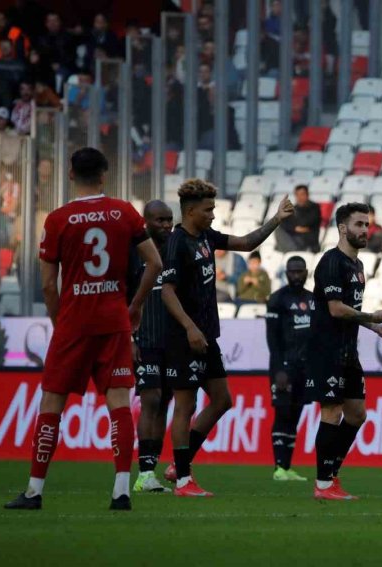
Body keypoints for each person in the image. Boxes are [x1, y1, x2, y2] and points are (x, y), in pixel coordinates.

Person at [4, 148, 163, 511]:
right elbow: (154, 263)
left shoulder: (58, 219)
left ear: (71, 174)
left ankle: (33, 491)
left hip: (74, 323)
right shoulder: (124, 212)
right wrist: (134, 306)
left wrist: (62, 325)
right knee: (119, 403)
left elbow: (47, 284)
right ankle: (121, 490)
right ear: (104, 175)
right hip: (113, 321)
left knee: (51, 405)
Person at [160, 181, 294, 497]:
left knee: (222, 400)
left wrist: (276, 219)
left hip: (207, 336)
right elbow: (167, 291)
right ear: (191, 211)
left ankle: (178, 465)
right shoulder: (177, 243)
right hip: (183, 337)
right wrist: (190, 328)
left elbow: (247, 243)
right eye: (208, 209)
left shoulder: (206, 237)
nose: (213, 214)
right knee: (185, 403)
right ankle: (182, 479)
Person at [308, 203, 382, 500]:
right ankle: (323, 484)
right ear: (342, 227)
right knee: (332, 411)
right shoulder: (331, 262)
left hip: (349, 351)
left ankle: (331, 473)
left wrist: (375, 328)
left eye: (367, 224)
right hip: (327, 350)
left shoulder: (358, 266)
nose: (365, 230)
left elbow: (352, 312)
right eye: (359, 224)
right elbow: (336, 309)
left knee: (357, 414)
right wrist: (371, 318)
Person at [128, 200, 174, 494]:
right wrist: (130, 338)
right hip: (144, 338)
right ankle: (144, 473)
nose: (166, 225)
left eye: (169, 219)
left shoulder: (175, 250)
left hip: (171, 341)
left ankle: (151, 472)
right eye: (159, 220)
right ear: (146, 222)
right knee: (151, 400)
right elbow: (125, 298)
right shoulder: (135, 254)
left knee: (164, 403)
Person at [266, 255, 315, 482]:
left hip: (306, 368)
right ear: (286, 274)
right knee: (283, 412)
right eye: (292, 272)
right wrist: (279, 370)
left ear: (306, 273)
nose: (296, 275)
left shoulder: (313, 300)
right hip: (284, 367)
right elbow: (272, 340)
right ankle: (278, 467)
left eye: (299, 271)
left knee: (295, 415)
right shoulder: (277, 299)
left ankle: (287, 466)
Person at [276, 185, 321, 253]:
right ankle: (291, 251)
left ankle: (291, 252)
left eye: (302, 194)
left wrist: (293, 226)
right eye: (297, 195)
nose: (300, 197)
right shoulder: (294, 208)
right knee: (278, 230)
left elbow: (304, 222)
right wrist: (295, 228)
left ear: (307, 195)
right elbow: (283, 223)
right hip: (296, 238)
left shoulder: (314, 207)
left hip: (308, 240)